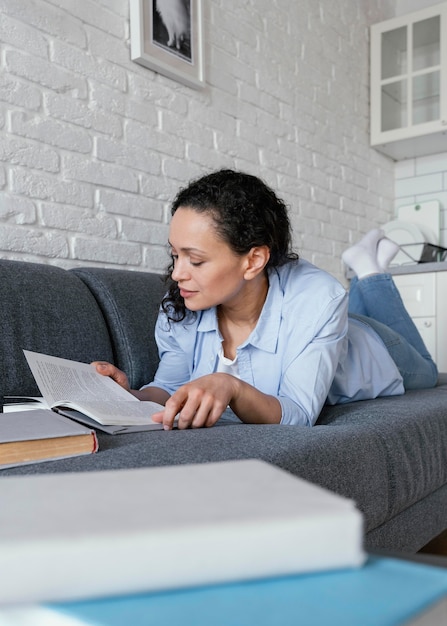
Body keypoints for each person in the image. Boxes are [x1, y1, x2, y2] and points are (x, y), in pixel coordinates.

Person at [93, 169, 438, 430]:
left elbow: (299, 413)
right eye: (175, 255)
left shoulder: (319, 299)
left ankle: (371, 271)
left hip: (369, 347)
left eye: (195, 260)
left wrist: (232, 387)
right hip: (331, 324)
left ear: (253, 260)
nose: (179, 273)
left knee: (429, 371)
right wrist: (131, 397)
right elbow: (169, 386)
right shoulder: (184, 300)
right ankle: (366, 267)